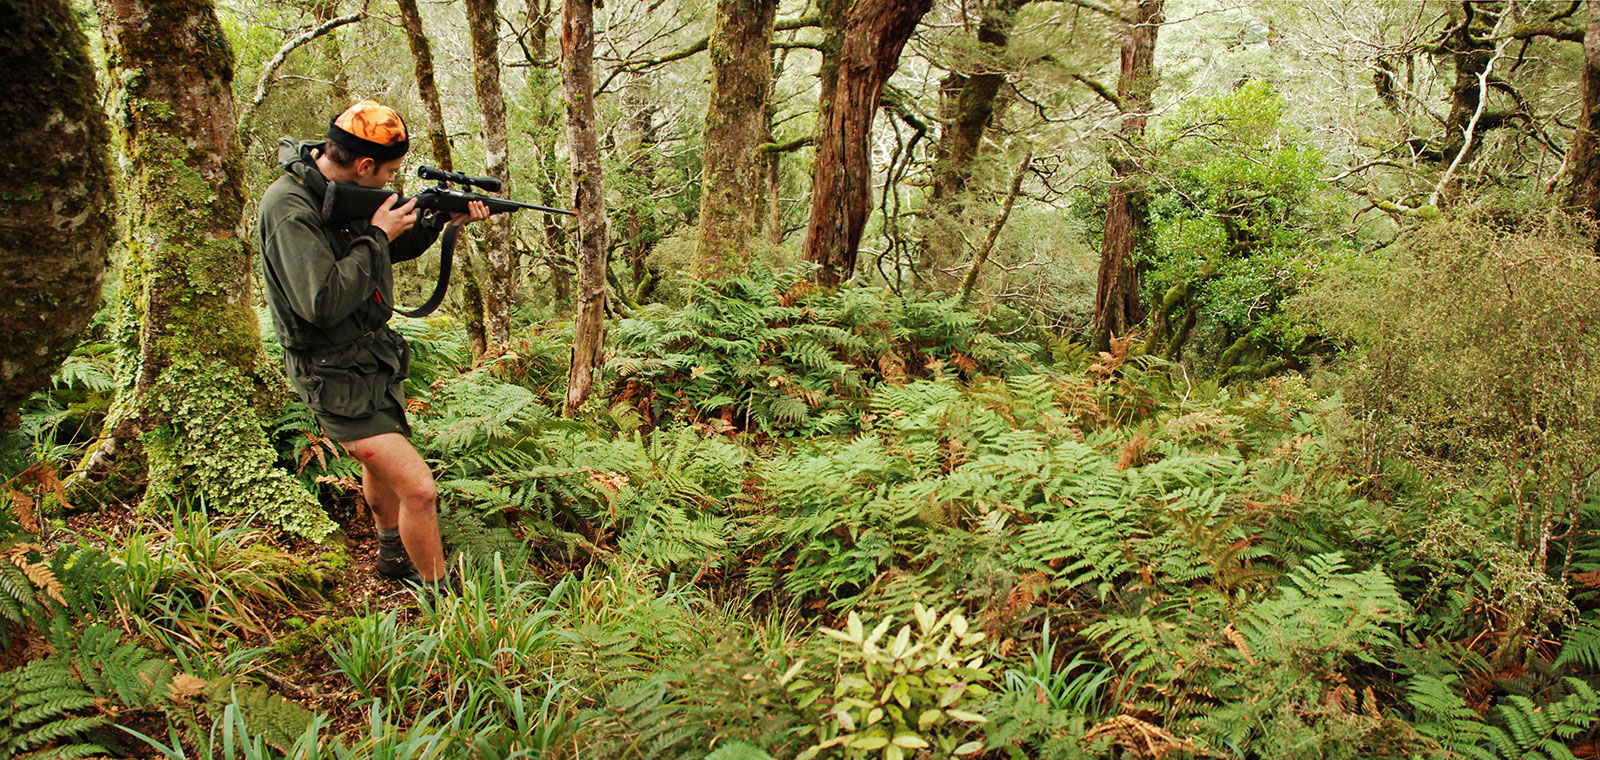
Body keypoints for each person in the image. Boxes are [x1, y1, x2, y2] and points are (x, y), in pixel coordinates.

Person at [257, 100, 489, 592]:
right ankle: (443, 601)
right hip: (330, 369)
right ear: (363, 165)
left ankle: (390, 554)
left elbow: (387, 247)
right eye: (387, 174)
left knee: (379, 468)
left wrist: (439, 222)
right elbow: (322, 301)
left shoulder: (342, 193)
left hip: (370, 357)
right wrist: (379, 233)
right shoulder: (289, 208)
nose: (389, 185)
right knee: (420, 489)